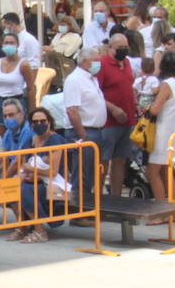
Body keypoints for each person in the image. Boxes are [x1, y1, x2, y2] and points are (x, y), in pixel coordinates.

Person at [12, 106, 71, 242]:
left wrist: (31, 170)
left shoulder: (55, 140)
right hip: (33, 181)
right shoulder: (30, 140)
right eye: (35, 122)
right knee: (12, 188)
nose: (39, 124)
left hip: (53, 185)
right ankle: (23, 227)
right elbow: (22, 163)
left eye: (43, 121)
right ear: (31, 124)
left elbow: (53, 172)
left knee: (24, 190)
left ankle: (40, 231)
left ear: (49, 122)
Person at [64, 46, 108, 210]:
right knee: (81, 175)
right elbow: (72, 110)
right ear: (84, 62)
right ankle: (79, 211)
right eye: (95, 60)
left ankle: (86, 208)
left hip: (95, 131)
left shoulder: (92, 79)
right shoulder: (74, 80)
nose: (99, 64)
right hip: (84, 132)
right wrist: (83, 135)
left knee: (89, 174)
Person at [97, 33, 138, 197]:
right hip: (109, 121)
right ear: (110, 48)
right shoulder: (102, 65)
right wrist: (112, 108)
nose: (123, 51)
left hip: (127, 119)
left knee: (121, 159)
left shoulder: (127, 63)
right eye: (119, 48)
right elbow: (96, 93)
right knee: (104, 160)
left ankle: (116, 196)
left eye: (125, 48)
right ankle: (98, 196)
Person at [145, 51, 175, 209]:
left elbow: (155, 109)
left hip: (163, 132)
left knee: (152, 172)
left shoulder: (166, 84)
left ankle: (161, 210)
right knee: (168, 171)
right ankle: (173, 209)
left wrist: (147, 107)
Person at [0, 28, 34, 128]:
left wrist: (32, 110)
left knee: (18, 131)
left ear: (17, 45)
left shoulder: (24, 64)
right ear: (2, 44)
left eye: (12, 43)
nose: (9, 45)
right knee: (0, 136)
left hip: (16, 101)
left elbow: (31, 88)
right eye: (6, 43)